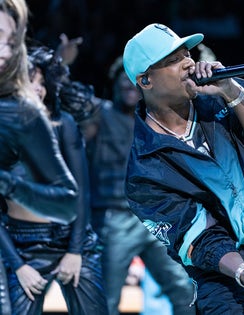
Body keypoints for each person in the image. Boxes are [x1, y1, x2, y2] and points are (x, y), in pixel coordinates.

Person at [123, 23, 244, 314]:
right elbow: (198, 237)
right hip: (221, 274)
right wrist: (243, 272)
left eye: (188, 54)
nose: (189, 64)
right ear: (146, 81)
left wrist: (231, 92)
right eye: (173, 61)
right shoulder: (146, 169)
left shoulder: (230, 93)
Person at [61, 56, 197, 315]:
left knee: (184, 290)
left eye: (134, 80)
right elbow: (71, 96)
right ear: (113, 84)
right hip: (114, 219)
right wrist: (63, 62)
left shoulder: (156, 119)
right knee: (104, 298)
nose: (128, 83)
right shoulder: (100, 114)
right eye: (122, 78)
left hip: (155, 219)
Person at [0, 44, 108, 315]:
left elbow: (82, 191)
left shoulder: (64, 124)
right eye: (28, 81)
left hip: (73, 237)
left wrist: (75, 251)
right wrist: (18, 265)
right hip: (22, 245)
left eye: (40, 82)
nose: (37, 89)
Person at [1, 1, 77, 313]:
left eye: (9, 42)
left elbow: (67, 201)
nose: (5, 53)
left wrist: (8, 184)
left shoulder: (23, 117)